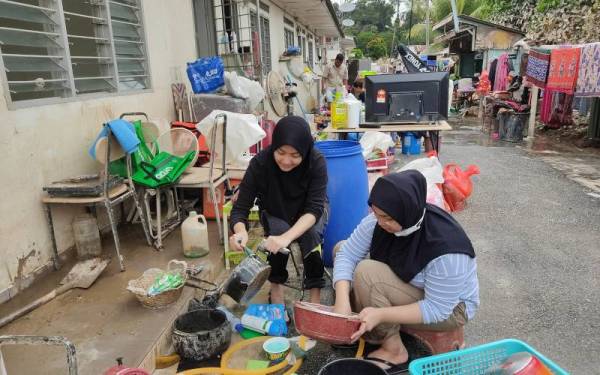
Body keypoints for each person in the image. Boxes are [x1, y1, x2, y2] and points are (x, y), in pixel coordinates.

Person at [332, 170, 479, 372]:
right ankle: (355, 321)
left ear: (408, 212)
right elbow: (347, 254)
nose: (381, 223)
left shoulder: (446, 249)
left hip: (451, 308)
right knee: (340, 248)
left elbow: (437, 308)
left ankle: (393, 348)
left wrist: (381, 315)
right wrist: (342, 302)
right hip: (412, 284)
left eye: (388, 218)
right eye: (377, 214)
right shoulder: (379, 220)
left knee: (367, 273)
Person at [229, 116, 328, 306]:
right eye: (281, 152)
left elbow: (315, 209)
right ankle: (276, 292)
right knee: (277, 232)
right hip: (275, 210)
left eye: (295, 155)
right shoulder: (260, 163)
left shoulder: (316, 162)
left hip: (308, 214)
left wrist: (287, 237)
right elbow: (240, 208)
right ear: (274, 145)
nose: (286, 161)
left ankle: (315, 299)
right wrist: (240, 231)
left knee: (312, 236)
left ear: (305, 151)